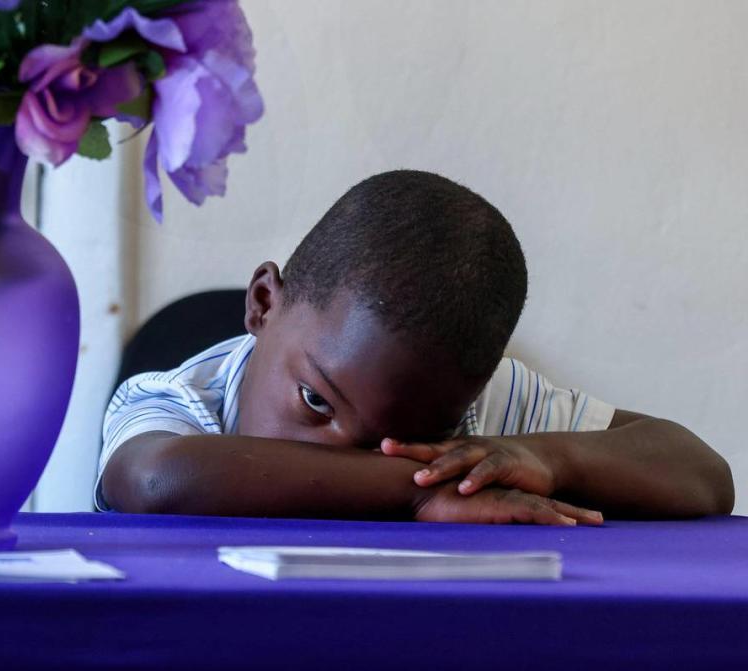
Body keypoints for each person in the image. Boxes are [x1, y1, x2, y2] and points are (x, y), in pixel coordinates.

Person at [96, 170, 734, 525]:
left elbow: (703, 473)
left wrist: (550, 459)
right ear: (264, 304)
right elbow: (155, 479)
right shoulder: (181, 400)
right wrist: (420, 487)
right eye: (316, 400)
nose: (344, 452)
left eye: (396, 442)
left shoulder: (482, 429)